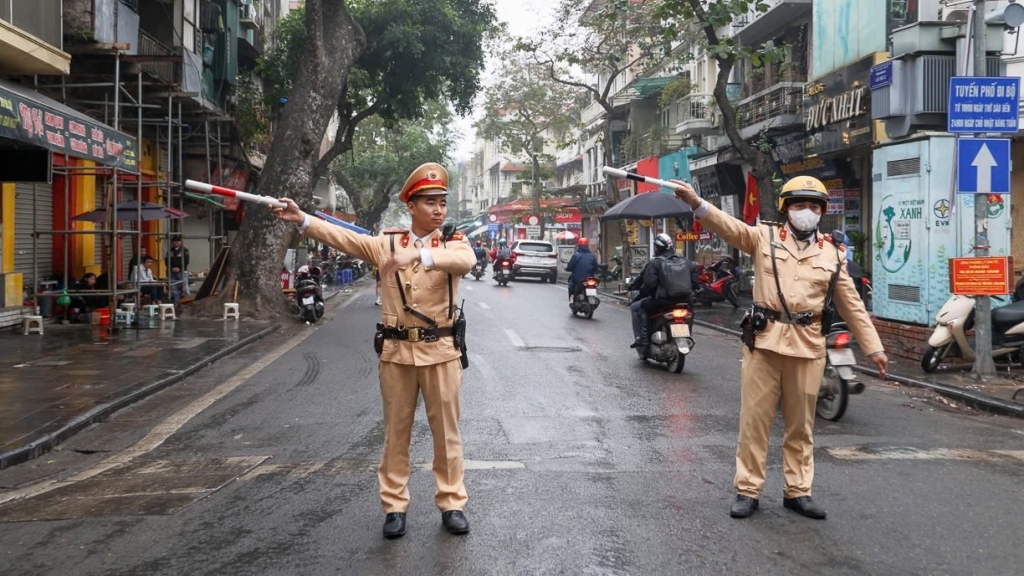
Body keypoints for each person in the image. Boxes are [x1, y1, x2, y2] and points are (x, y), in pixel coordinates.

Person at [271, 162, 475, 539]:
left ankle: (451, 503)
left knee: (447, 435)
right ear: (411, 207)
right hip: (397, 354)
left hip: (441, 354)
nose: (438, 210)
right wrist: (302, 220)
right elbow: (343, 239)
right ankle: (394, 506)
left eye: (442, 203)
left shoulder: (452, 243)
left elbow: (467, 261)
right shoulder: (387, 243)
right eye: (430, 202)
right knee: (395, 434)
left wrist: (419, 255)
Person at [672, 175, 889, 521]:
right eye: (800, 205)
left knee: (800, 426)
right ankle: (747, 490)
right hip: (765, 343)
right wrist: (696, 203)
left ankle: (798, 491)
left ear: (822, 212)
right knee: (754, 422)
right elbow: (729, 227)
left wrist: (873, 348)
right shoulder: (764, 237)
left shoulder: (833, 254)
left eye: (814, 206)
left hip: (808, 346)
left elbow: (851, 304)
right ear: (787, 209)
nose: (807, 212)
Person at [627, 233, 693, 353]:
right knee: (690, 312)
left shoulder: (655, 263)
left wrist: (642, 295)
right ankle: (688, 335)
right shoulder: (686, 261)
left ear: (657, 248)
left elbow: (649, 285)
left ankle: (643, 340)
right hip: (686, 300)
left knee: (637, 307)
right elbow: (696, 283)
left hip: (663, 301)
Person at [166, 235, 191, 301]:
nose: (175, 243)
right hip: (172, 273)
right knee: (174, 290)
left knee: (185, 289)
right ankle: (176, 304)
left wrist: (179, 268)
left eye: (177, 241)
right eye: (174, 241)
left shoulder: (184, 250)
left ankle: (188, 303)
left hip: (182, 272)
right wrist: (172, 268)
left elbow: (186, 261)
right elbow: (167, 261)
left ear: (180, 242)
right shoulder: (170, 251)